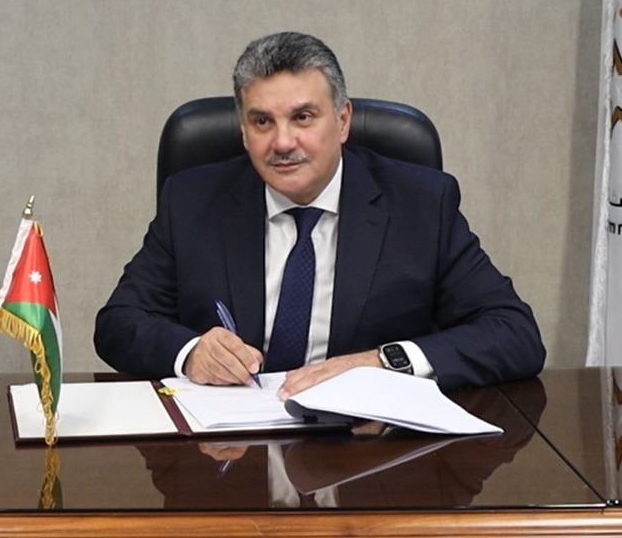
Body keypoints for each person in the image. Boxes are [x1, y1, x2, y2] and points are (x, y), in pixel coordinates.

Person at [93, 31, 543, 396]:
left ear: (342, 121)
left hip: (370, 453)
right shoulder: (193, 201)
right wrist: (191, 351)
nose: (283, 142)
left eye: (303, 117)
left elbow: (514, 334)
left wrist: (383, 362)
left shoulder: (421, 204)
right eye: (262, 122)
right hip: (228, 452)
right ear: (243, 131)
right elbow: (118, 323)